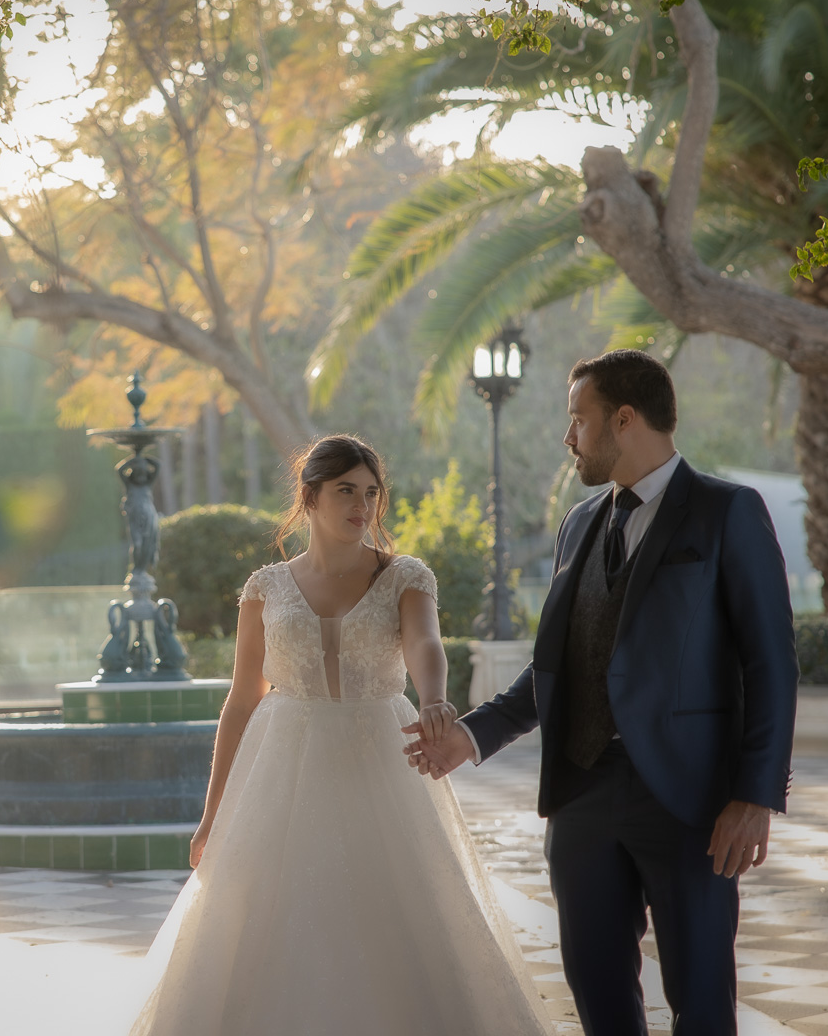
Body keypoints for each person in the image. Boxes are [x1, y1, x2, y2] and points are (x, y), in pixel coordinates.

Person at [404, 349, 798, 1036]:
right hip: (581, 798)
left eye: (577, 421)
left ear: (623, 419)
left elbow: (772, 663)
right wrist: (469, 737)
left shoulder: (726, 512)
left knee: (701, 1002)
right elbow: (559, 669)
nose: (569, 439)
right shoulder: (579, 524)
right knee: (598, 999)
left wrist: (756, 794)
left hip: (691, 802)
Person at [128, 434, 549, 1036]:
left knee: (399, 919)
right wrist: (211, 814)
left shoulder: (404, 575)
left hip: (381, 765)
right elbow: (241, 700)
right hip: (280, 775)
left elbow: (425, 643)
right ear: (310, 496)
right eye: (346, 491)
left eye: (371, 493)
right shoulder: (264, 588)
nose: (362, 505)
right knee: (266, 927)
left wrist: (434, 700)